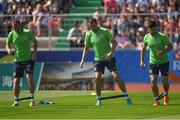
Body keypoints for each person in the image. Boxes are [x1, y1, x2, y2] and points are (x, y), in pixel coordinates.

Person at [80, 18, 132, 106]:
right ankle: (99, 99)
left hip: (109, 58)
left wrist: (111, 53)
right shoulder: (88, 34)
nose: (92, 27)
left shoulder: (105, 31)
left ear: (97, 24)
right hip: (98, 59)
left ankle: (126, 96)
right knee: (97, 77)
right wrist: (83, 60)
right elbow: (86, 48)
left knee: (115, 76)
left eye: (93, 25)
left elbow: (115, 43)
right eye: (90, 26)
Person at [140, 20, 173, 106]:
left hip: (164, 62)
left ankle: (166, 94)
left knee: (164, 82)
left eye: (153, 28)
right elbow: (143, 49)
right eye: (150, 29)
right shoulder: (146, 37)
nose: (151, 30)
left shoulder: (162, 36)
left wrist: (164, 52)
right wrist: (142, 61)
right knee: (153, 81)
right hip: (153, 62)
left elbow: (171, 46)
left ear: (155, 27)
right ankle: (157, 100)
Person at [6, 19, 38, 107]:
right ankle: (16, 100)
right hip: (17, 61)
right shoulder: (11, 34)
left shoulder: (28, 33)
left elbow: (35, 42)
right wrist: (9, 50)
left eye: (15, 26)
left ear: (20, 25)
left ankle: (32, 99)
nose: (14, 28)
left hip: (28, 60)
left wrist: (34, 53)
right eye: (13, 26)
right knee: (16, 81)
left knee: (29, 78)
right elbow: (7, 44)